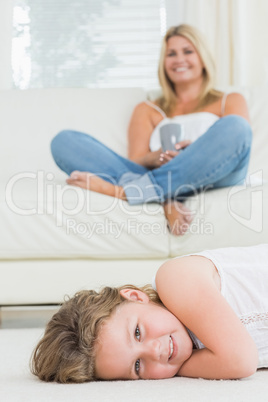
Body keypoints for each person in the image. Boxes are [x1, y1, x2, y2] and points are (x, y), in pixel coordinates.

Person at [51, 24, 252, 235]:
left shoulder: (229, 100)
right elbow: (133, 164)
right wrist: (152, 159)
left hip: (215, 176)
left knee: (236, 127)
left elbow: (237, 145)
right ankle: (166, 197)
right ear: (163, 63)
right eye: (171, 54)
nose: (179, 59)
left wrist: (196, 153)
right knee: (65, 142)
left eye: (188, 51)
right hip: (157, 175)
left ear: (202, 58)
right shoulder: (147, 109)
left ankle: (124, 193)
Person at [31, 243, 268, 383]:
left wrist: (177, 371)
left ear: (135, 296)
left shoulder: (175, 279)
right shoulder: (198, 347)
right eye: (137, 366)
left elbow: (241, 360)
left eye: (137, 332)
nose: (155, 351)